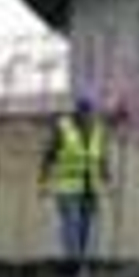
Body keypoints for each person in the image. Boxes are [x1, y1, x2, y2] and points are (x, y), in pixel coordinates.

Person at [40, 91, 110, 265]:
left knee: (87, 228)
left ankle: (84, 263)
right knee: (72, 225)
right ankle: (72, 264)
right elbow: (49, 155)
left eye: (89, 110)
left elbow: (101, 156)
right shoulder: (63, 127)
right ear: (77, 111)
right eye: (83, 110)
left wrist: (107, 178)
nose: (87, 114)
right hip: (68, 188)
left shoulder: (98, 129)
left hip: (90, 188)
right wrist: (44, 181)